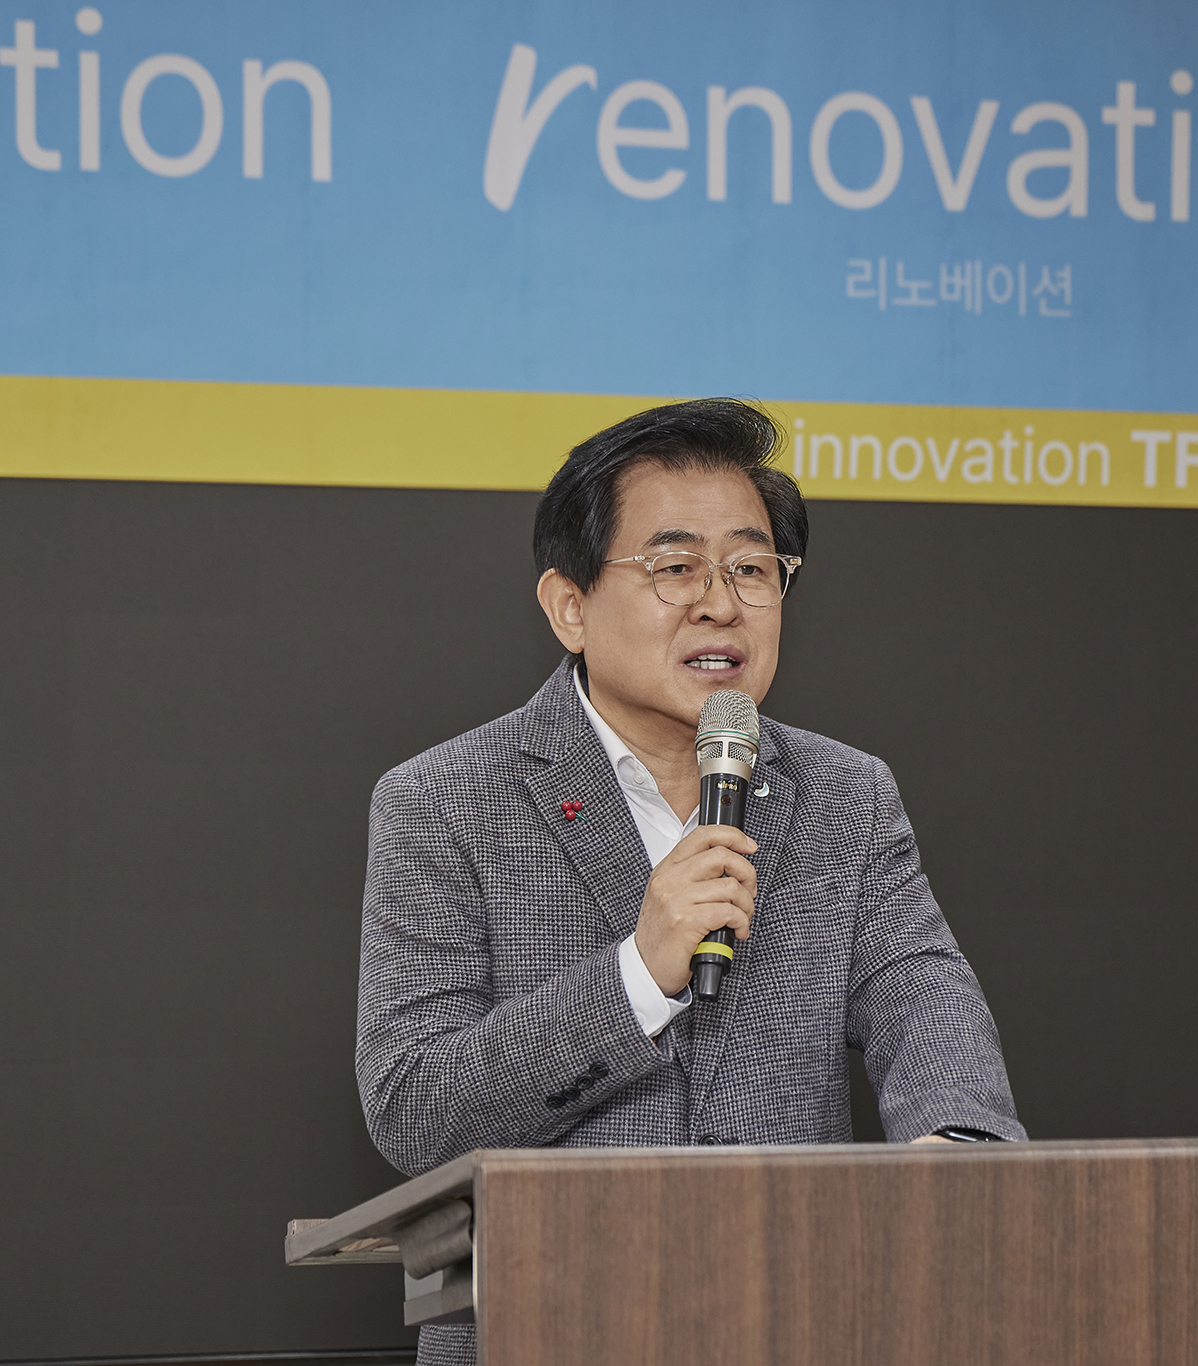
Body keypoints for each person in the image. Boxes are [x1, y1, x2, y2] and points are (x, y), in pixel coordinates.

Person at [356, 398, 1021, 1366]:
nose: (721, 603)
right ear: (570, 605)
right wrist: (636, 975)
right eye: (675, 567)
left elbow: (925, 1001)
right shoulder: (442, 800)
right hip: (548, 1337)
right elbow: (415, 1107)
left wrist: (961, 1154)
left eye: (751, 568)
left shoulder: (845, 794)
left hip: (799, 1325)